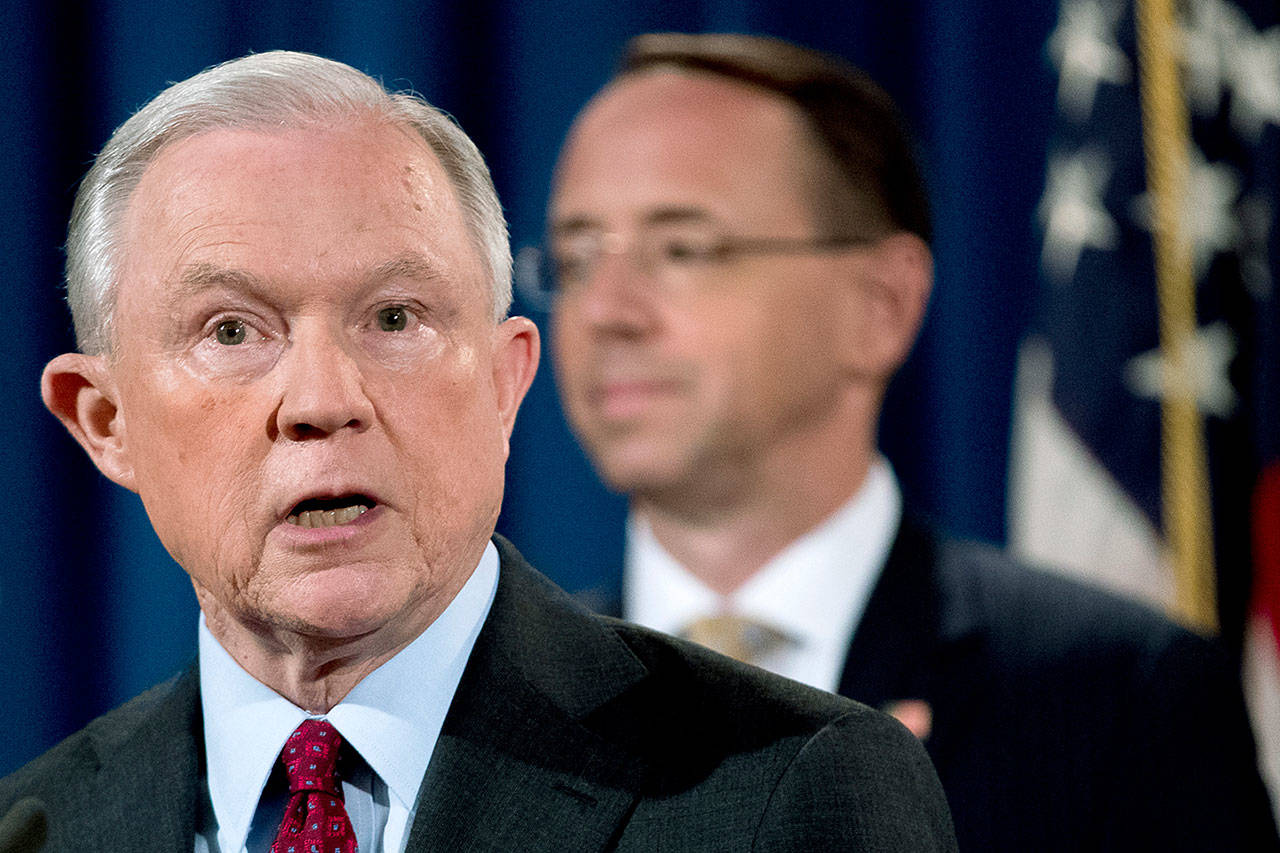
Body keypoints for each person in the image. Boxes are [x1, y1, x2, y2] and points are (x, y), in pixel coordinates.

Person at [0, 51, 957, 852]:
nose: (326, 402)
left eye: (394, 317)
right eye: (232, 332)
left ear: (505, 383)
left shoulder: (786, 792)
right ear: (105, 419)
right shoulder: (37, 826)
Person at [544, 32, 1280, 851]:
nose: (605, 311)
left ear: (881, 304)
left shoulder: (1119, 697)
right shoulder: (504, 701)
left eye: (682, 248)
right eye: (575, 259)